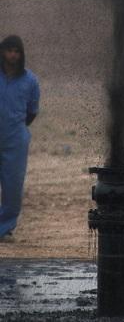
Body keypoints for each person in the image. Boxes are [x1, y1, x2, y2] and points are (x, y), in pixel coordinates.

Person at [0, 35, 40, 241]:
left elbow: (32, 112)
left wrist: (15, 128)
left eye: (17, 51)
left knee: (13, 186)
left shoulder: (30, 80)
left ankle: (4, 228)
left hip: (15, 140)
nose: (12, 55)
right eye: (9, 50)